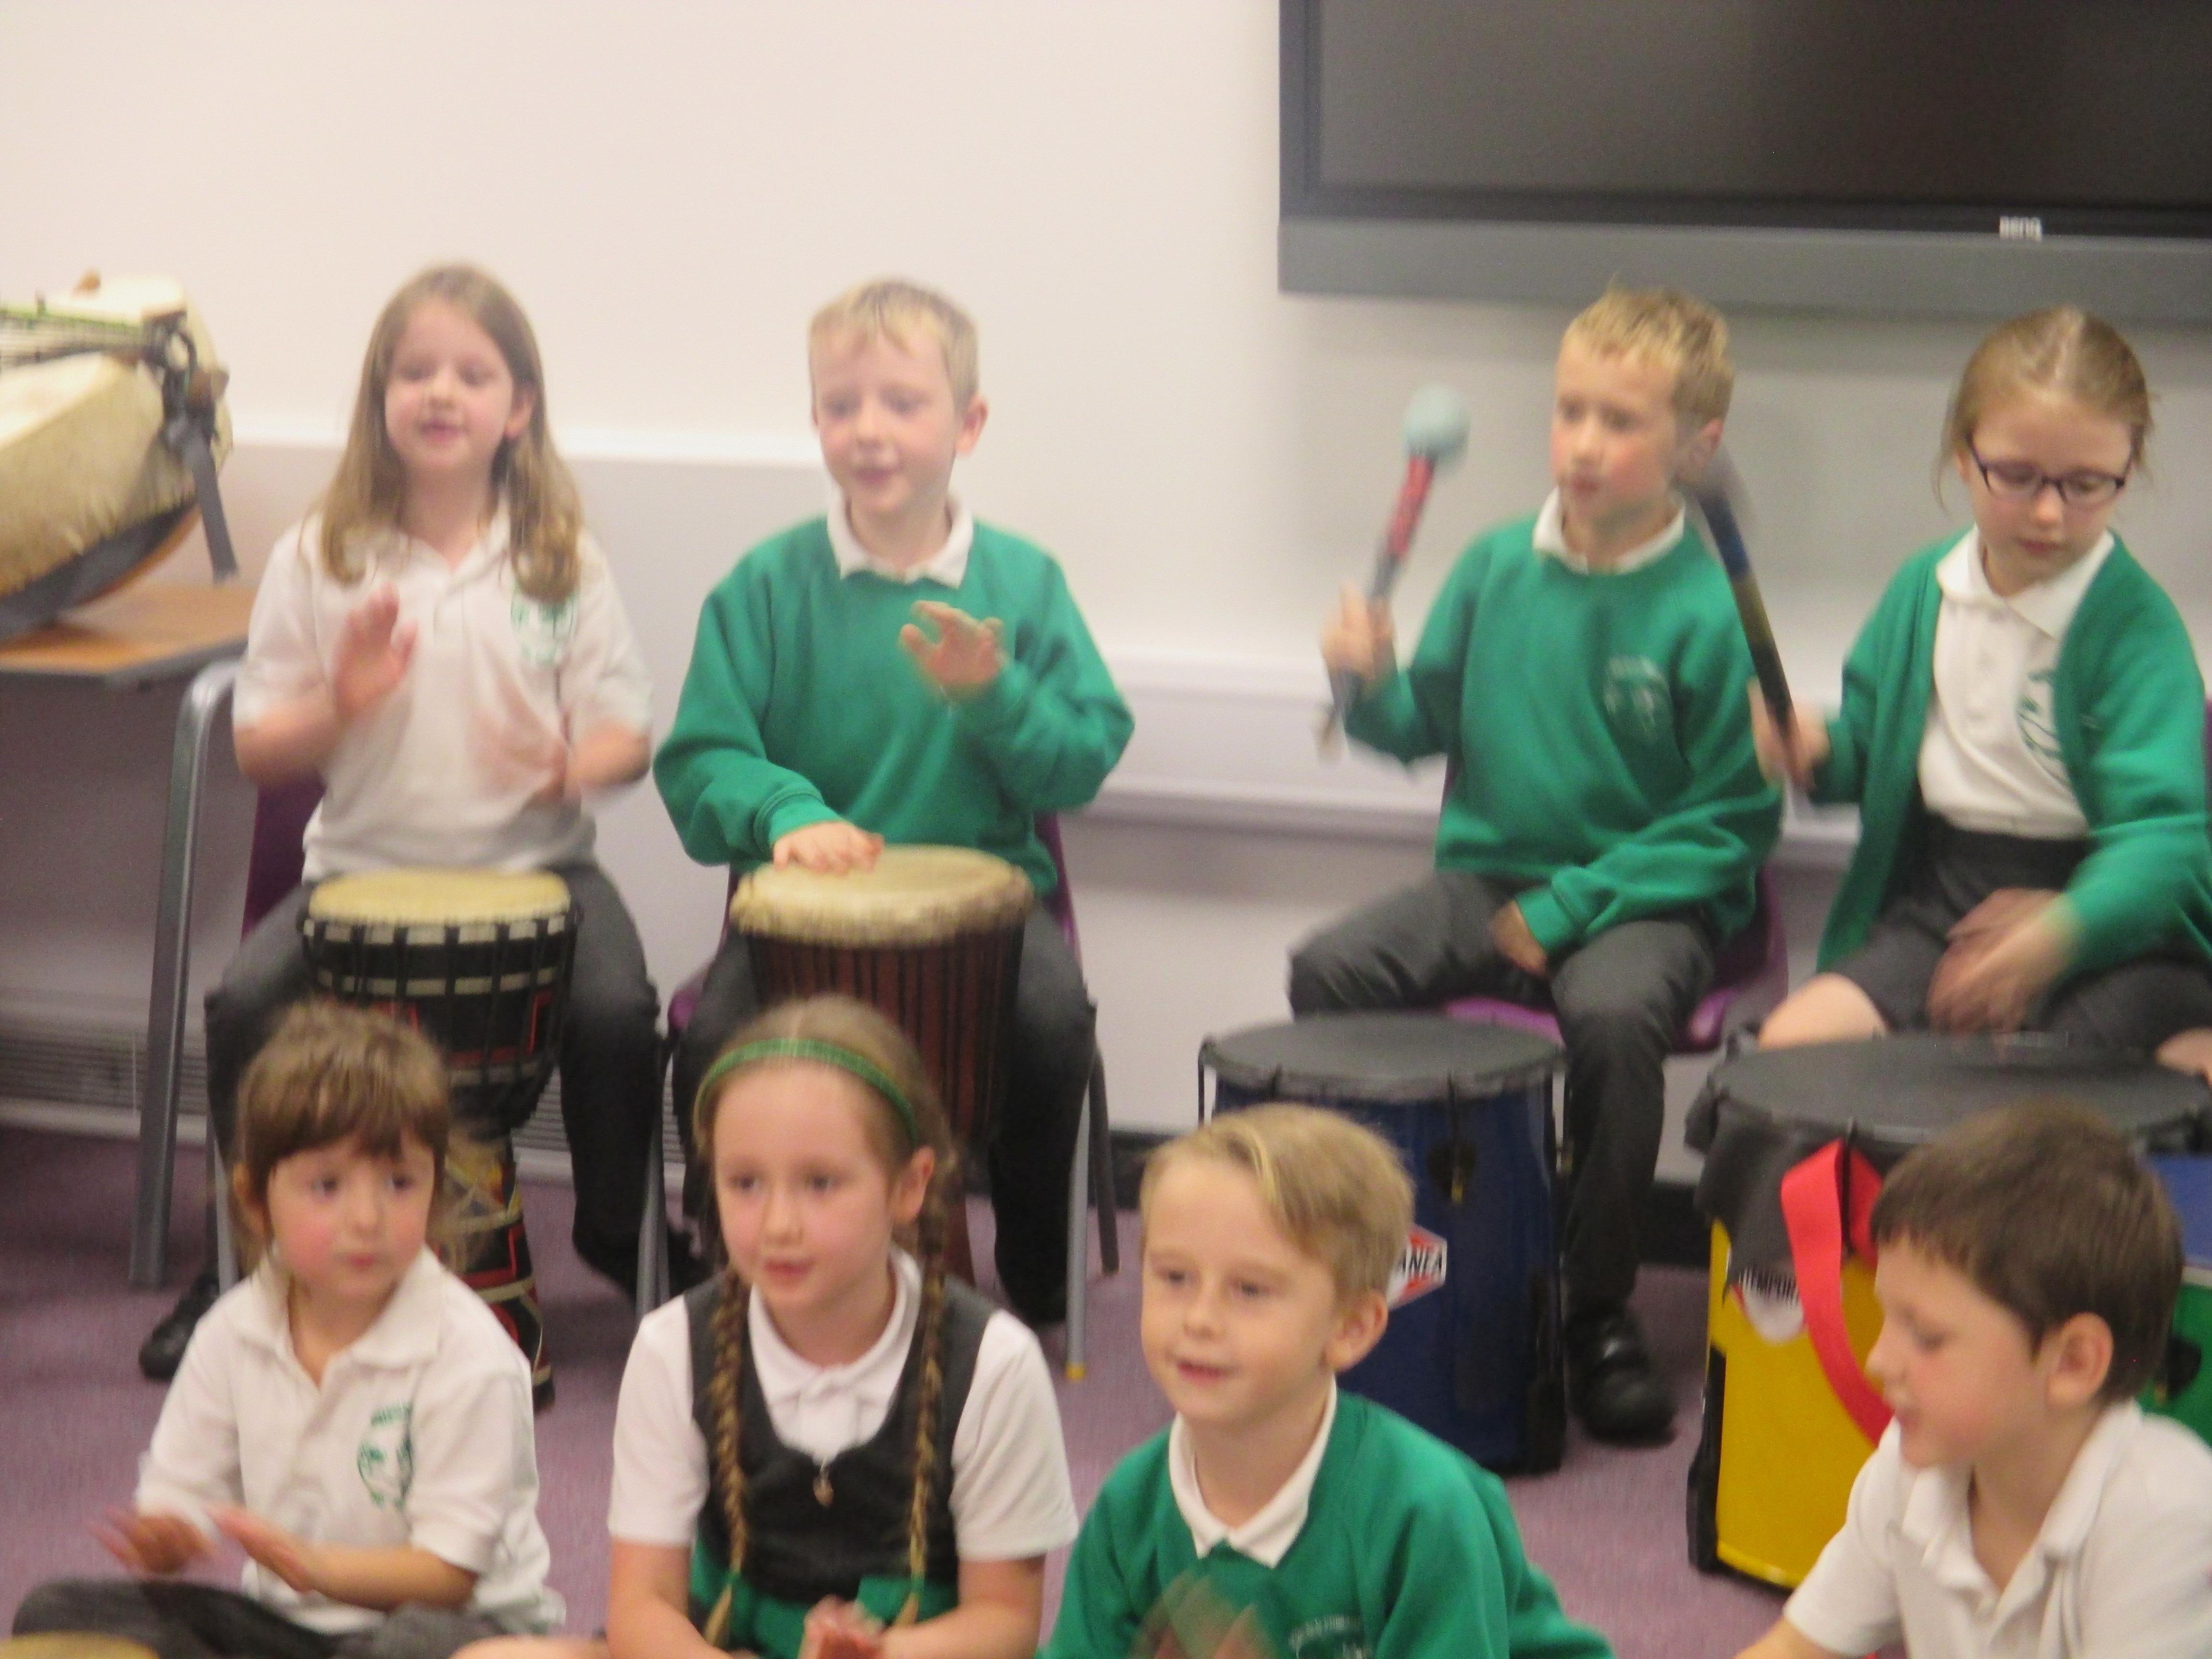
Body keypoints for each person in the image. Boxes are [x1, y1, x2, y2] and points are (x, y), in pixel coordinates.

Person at [140, 263, 675, 1385]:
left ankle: (623, 1238)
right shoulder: (321, 552)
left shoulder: (560, 557)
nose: (441, 392)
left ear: (518, 408)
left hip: (545, 874)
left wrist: (569, 767)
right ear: (379, 396)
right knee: (246, 1004)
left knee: (619, 1015)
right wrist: (341, 700)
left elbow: (628, 735)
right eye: (416, 371)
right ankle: (241, 1262)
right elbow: (258, 748)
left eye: (473, 374)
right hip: (356, 876)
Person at [1289, 286, 1779, 1442]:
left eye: (1621, 421)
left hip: (1647, 894)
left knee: (1611, 1019)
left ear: (1696, 445)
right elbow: (1415, 727)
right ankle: (1399, 1257)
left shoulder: (1710, 604)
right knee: (1328, 972)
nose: (1585, 444)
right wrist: (1364, 680)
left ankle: (1593, 1308)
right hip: (1490, 879)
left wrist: (1571, 905)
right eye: (1571, 412)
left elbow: (1732, 822)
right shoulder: (1494, 565)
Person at [655, 277, 1132, 1326]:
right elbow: (697, 764)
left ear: (968, 423)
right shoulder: (765, 586)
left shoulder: (1023, 582)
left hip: (990, 915)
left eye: (902, 403)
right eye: (842, 404)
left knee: (1052, 1028)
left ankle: (1036, 1269)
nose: (869, 430)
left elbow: (1083, 761)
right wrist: (785, 812)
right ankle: (729, 1270)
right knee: (717, 1042)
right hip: (798, 920)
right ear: (816, 419)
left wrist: (996, 699)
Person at [14, 1003, 563, 1659]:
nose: (367, 1218)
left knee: (408, 1650)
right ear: (255, 1201)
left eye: (399, 1182)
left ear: (435, 1190)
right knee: (56, 1614)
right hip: (290, 1624)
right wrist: (168, 1536)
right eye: (327, 1186)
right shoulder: (233, 1331)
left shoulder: (469, 1355)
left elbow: (448, 1577)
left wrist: (315, 1566)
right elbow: (181, 1488)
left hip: (459, 1625)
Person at [1755, 306, 2212, 1057]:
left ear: (2128, 472)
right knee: (1790, 1053)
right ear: (1963, 456)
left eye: (2087, 484)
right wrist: (1815, 748)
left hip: (2110, 920)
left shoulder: (2136, 627)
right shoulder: (1924, 590)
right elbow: (1869, 754)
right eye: (2017, 476)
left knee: (2021, 1084)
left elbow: (2163, 847)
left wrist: (2056, 935)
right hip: (1944, 899)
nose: (2049, 513)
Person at [591, 994, 1076, 1659]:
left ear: (909, 1186)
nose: (778, 1224)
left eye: (820, 1183)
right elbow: (641, 1606)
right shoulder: (671, 1346)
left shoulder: (994, 1365)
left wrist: (879, 1655)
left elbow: (1005, 1622)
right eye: (745, 1183)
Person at [1044, 1104, 1611, 1659]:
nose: (1199, 1319)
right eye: (1174, 1277)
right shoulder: (1130, 1506)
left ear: (1351, 1328)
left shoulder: (1426, 1510)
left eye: (1250, 1289)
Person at [1734, 1102, 2212, 1659]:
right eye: (1888, 1317)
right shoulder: (1910, 1473)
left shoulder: (2163, 1519)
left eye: (1928, 1336)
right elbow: (1795, 1648)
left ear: (2073, 1363)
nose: (1879, 1361)